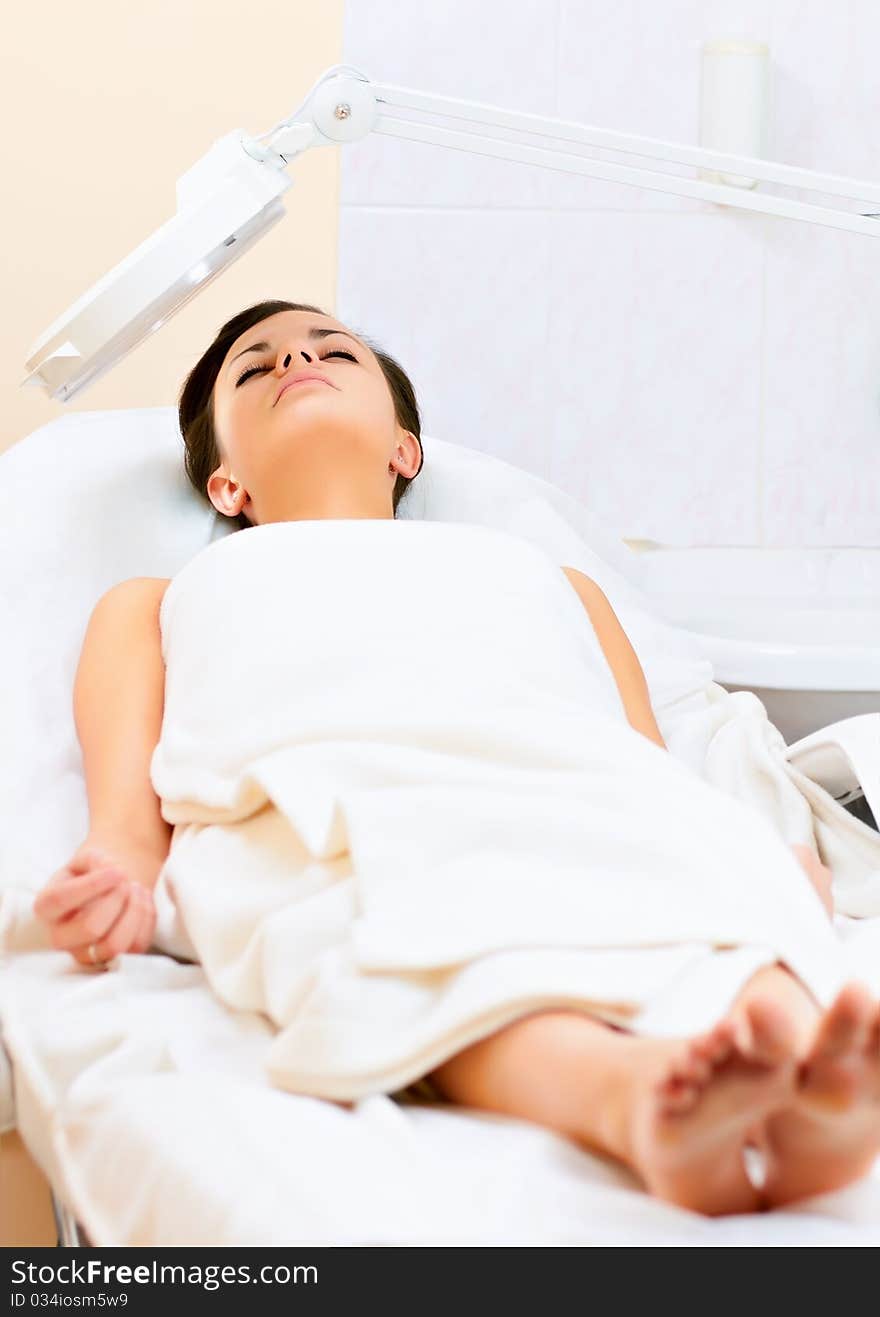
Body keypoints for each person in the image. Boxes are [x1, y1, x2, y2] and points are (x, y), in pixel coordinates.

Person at [34, 301, 880, 1218]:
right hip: (331, 808)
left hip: (570, 796)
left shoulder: (548, 578)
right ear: (225, 485)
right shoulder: (161, 597)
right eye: (256, 367)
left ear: (405, 449)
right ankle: (635, 1096)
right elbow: (127, 808)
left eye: (331, 351)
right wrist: (120, 864)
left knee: (701, 888)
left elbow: (643, 772)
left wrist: (741, 851)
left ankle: (807, 1062)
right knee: (413, 929)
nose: (295, 362)